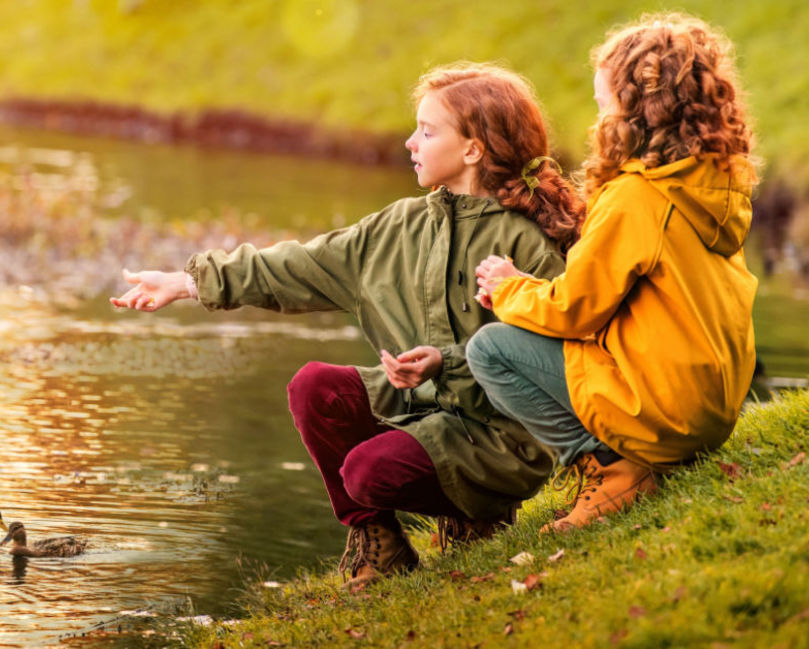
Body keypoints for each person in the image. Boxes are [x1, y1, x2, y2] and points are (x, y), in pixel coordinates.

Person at [111, 63, 584, 591]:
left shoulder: (525, 244)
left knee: (366, 472)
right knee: (314, 386)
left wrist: (443, 362)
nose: (410, 142)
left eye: (427, 132)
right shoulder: (398, 225)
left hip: (498, 441)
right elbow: (291, 266)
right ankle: (380, 544)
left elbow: (547, 357)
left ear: (472, 150)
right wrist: (184, 282)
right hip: (418, 410)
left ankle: (479, 515)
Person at [468, 13, 758, 534]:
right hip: (713, 412)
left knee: (490, 350)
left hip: (664, 414)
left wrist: (511, 288)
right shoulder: (715, 181)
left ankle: (616, 471)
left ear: (635, 111)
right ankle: (637, 456)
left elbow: (575, 308)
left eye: (603, 104)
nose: (597, 118)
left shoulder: (635, 195)